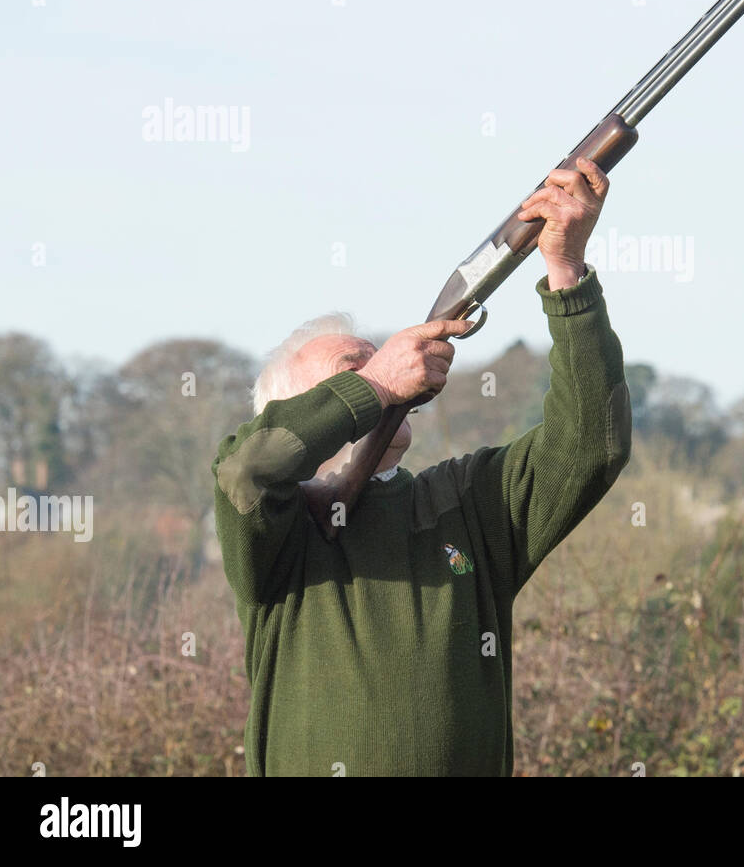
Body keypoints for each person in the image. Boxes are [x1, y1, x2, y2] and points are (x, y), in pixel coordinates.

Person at [212, 158, 631, 775]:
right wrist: (377, 386)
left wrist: (566, 271)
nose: (383, 368)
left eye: (377, 360)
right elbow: (245, 472)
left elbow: (593, 442)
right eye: (351, 372)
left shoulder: (465, 502)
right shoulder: (279, 528)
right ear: (295, 414)